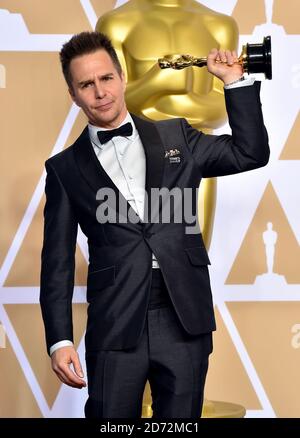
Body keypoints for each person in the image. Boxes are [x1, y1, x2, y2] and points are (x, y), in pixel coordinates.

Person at [40, 31, 269, 418]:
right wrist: (59, 340)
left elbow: (251, 153)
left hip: (183, 313)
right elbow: (57, 264)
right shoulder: (63, 169)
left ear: (122, 77)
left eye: (106, 78)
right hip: (114, 322)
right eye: (86, 84)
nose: (100, 92)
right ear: (73, 94)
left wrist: (233, 82)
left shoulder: (176, 134)